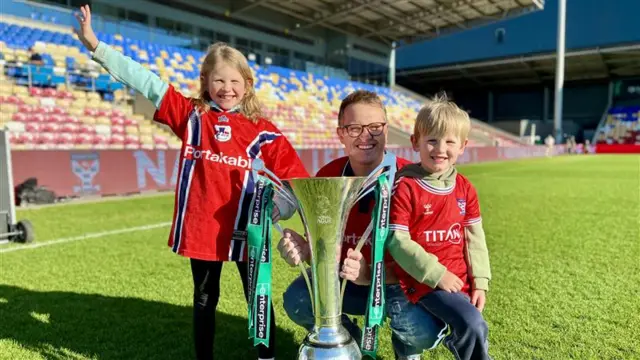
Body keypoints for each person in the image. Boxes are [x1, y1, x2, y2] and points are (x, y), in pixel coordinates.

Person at [74, 5, 309, 360]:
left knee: (257, 295)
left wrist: (280, 208)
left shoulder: (263, 129)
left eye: (234, 81)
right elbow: (145, 80)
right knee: (204, 298)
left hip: (249, 228)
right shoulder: (191, 116)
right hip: (202, 229)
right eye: (219, 80)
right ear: (205, 82)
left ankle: (267, 357)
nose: (226, 88)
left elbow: (297, 178)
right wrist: (96, 46)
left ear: (247, 85)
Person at [278, 90, 446, 360]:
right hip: (344, 281)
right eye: (354, 128)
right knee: (298, 300)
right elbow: (322, 249)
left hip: (399, 285)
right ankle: (346, 340)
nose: (365, 136)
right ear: (340, 134)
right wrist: (305, 251)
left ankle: (406, 349)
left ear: (387, 130)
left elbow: (428, 259)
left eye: (375, 127)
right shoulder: (326, 177)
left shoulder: (413, 179)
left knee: (421, 330)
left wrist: (373, 275)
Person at [386, 94, 492, 360]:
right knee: (473, 325)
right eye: (431, 140)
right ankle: (407, 345)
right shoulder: (406, 186)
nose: (440, 149)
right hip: (425, 280)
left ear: (463, 146)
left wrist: (480, 282)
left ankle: (404, 350)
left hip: (460, 281)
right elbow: (397, 240)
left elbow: (474, 238)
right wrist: (436, 273)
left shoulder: (465, 188)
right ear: (415, 142)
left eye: (449, 142)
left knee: (469, 323)